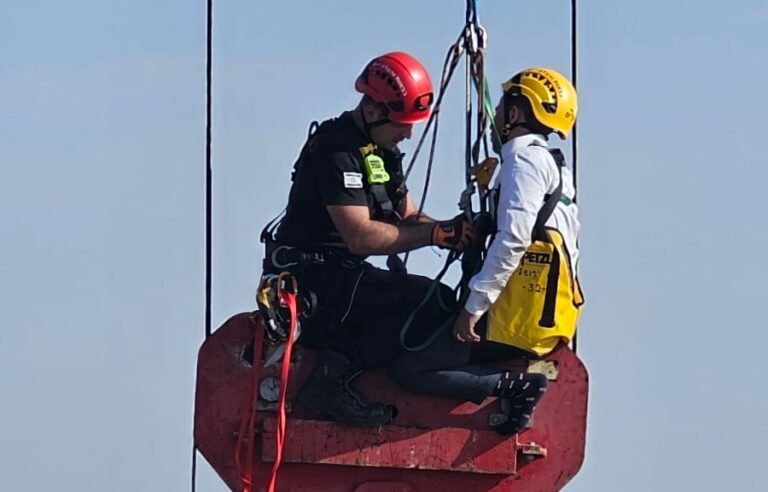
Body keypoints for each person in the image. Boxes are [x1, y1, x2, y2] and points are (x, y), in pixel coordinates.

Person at [265, 52, 476, 426]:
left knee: (438, 299)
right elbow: (360, 236)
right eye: (402, 123)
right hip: (312, 279)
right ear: (374, 111)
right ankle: (329, 383)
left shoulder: (383, 152)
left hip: (343, 275)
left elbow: (409, 216)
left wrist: (453, 232)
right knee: (417, 303)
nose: (409, 133)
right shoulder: (336, 148)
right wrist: (433, 235)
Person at [452, 68, 583, 427]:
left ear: (512, 114)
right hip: (540, 316)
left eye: (500, 110)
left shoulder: (523, 161)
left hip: (513, 321)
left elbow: (513, 238)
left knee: (413, 362)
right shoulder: (553, 164)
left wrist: (473, 306)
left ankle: (520, 390)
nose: (494, 118)